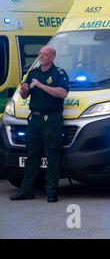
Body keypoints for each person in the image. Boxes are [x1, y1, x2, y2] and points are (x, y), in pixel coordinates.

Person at [10, 46, 69, 203]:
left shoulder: (59, 74)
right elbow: (25, 95)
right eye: (40, 54)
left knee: (52, 156)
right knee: (32, 156)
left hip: (51, 120)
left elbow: (63, 93)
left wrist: (42, 86)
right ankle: (27, 190)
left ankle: (52, 192)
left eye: (44, 54)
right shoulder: (33, 72)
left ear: (52, 57)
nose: (41, 56)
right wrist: (24, 90)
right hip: (35, 119)